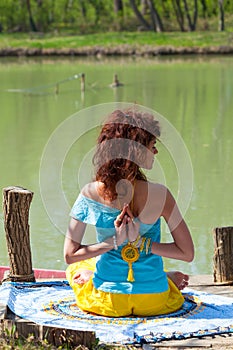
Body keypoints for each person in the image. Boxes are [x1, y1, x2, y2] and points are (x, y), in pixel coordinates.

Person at [64, 108, 194, 317]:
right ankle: (163, 276)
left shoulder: (89, 193)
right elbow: (187, 253)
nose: (155, 152)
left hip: (108, 300)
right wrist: (145, 244)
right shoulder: (161, 195)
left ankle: (96, 274)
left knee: (78, 267)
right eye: (152, 146)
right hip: (153, 299)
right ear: (137, 151)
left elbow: (70, 255)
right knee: (142, 268)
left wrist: (114, 242)